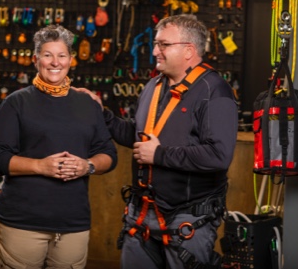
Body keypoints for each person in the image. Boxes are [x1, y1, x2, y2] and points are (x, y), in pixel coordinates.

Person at [77, 14, 238, 268]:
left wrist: (160, 154)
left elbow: (218, 156)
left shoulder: (214, 91)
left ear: (189, 50)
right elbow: (138, 136)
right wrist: (102, 115)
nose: (155, 51)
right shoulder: (153, 85)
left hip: (186, 220)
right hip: (141, 217)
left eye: (164, 44)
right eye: (155, 44)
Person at [0, 24, 117, 269]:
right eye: (47, 55)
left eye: (62, 55)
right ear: (36, 60)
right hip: (22, 222)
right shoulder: (16, 103)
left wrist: (88, 166)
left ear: (71, 60)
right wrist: (39, 166)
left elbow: (108, 153)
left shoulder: (88, 104)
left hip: (72, 223)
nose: (55, 62)